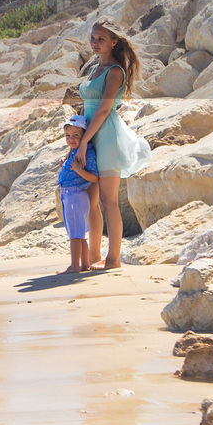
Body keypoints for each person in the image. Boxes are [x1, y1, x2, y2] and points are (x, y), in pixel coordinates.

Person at [76, 19, 152, 270]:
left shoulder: (115, 72)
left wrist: (85, 141)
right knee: (91, 199)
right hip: (88, 135)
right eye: (93, 39)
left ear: (113, 42)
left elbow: (105, 108)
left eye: (101, 39)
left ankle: (113, 260)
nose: (95, 44)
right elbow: (87, 107)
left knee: (108, 201)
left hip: (106, 137)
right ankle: (94, 255)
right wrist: (78, 137)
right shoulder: (94, 68)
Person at [57, 114, 98, 274]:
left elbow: (94, 177)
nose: (71, 139)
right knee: (79, 232)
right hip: (69, 195)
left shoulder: (87, 152)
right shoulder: (74, 152)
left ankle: (74, 266)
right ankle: (85, 263)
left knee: (75, 234)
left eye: (76, 135)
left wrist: (79, 170)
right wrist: (65, 162)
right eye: (68, 136)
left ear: (84, 135)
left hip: (75, 194)